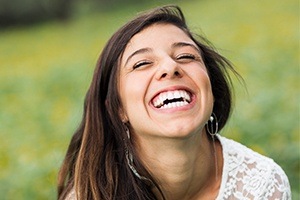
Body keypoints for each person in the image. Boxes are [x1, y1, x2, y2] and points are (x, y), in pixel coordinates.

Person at [57, 5, 291, 200]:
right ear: (118, 109)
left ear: (210, 86)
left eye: (186, 56)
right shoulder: (90, 194)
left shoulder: (262, 184)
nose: (170, 67)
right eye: (141, 64)